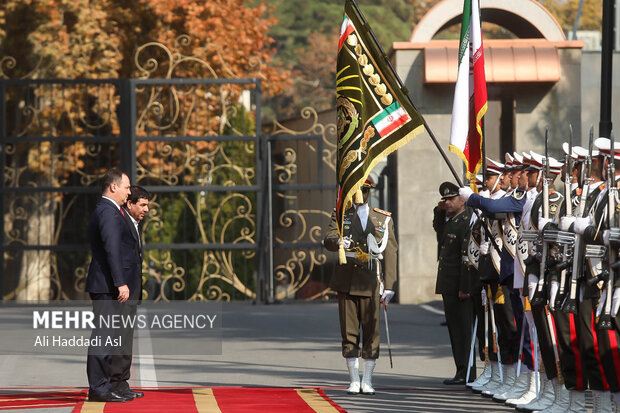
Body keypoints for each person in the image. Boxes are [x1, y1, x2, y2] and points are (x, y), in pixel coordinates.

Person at [323, 178, 398, 395]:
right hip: (347, 279)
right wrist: (337, 242)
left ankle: (368, 379)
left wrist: (390, 285)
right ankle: (354, 379)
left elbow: (391, 252)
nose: (359, 195)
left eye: (363, 191)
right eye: (355, 191)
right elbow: (328, 238)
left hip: (371, 281)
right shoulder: (340, 213)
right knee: (349, 331)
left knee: (371, 332)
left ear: (369, 191)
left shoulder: (382, 218)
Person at [85, 169, 142, 403]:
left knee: (112, 336)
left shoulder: (112, 210)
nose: (129, 192)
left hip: (109, 284)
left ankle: (109, 384)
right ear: (113, 187)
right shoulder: (107, 211)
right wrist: (121, 282)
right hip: (107, 285)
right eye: (127, 187)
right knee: (104, 337)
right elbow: (112, 250)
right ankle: (98, 387)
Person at [108, 185, 150, 400]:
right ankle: (115, 383)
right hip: (122, 290)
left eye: (148, 205)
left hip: (131, 290)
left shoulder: (135, 223)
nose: (146, 210)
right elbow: (115, 255)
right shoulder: (121, 222)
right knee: (119, 338)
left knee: (126, 338)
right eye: (142, 205)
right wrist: (120, 284)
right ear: (130, 203)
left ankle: (122, 382)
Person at [433, 181, 474, 385]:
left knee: (464, 330)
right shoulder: (451, 220)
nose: (447, 203)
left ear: (462, 200)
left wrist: (464, 287)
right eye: (445, 200)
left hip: (460, 285)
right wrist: (438, 211)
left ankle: (468, 371)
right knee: (454, 329)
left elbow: (466, 257)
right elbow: (438, 230)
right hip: (449, 284)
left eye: (451, 199)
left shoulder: (466, 221)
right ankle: (461, 370)